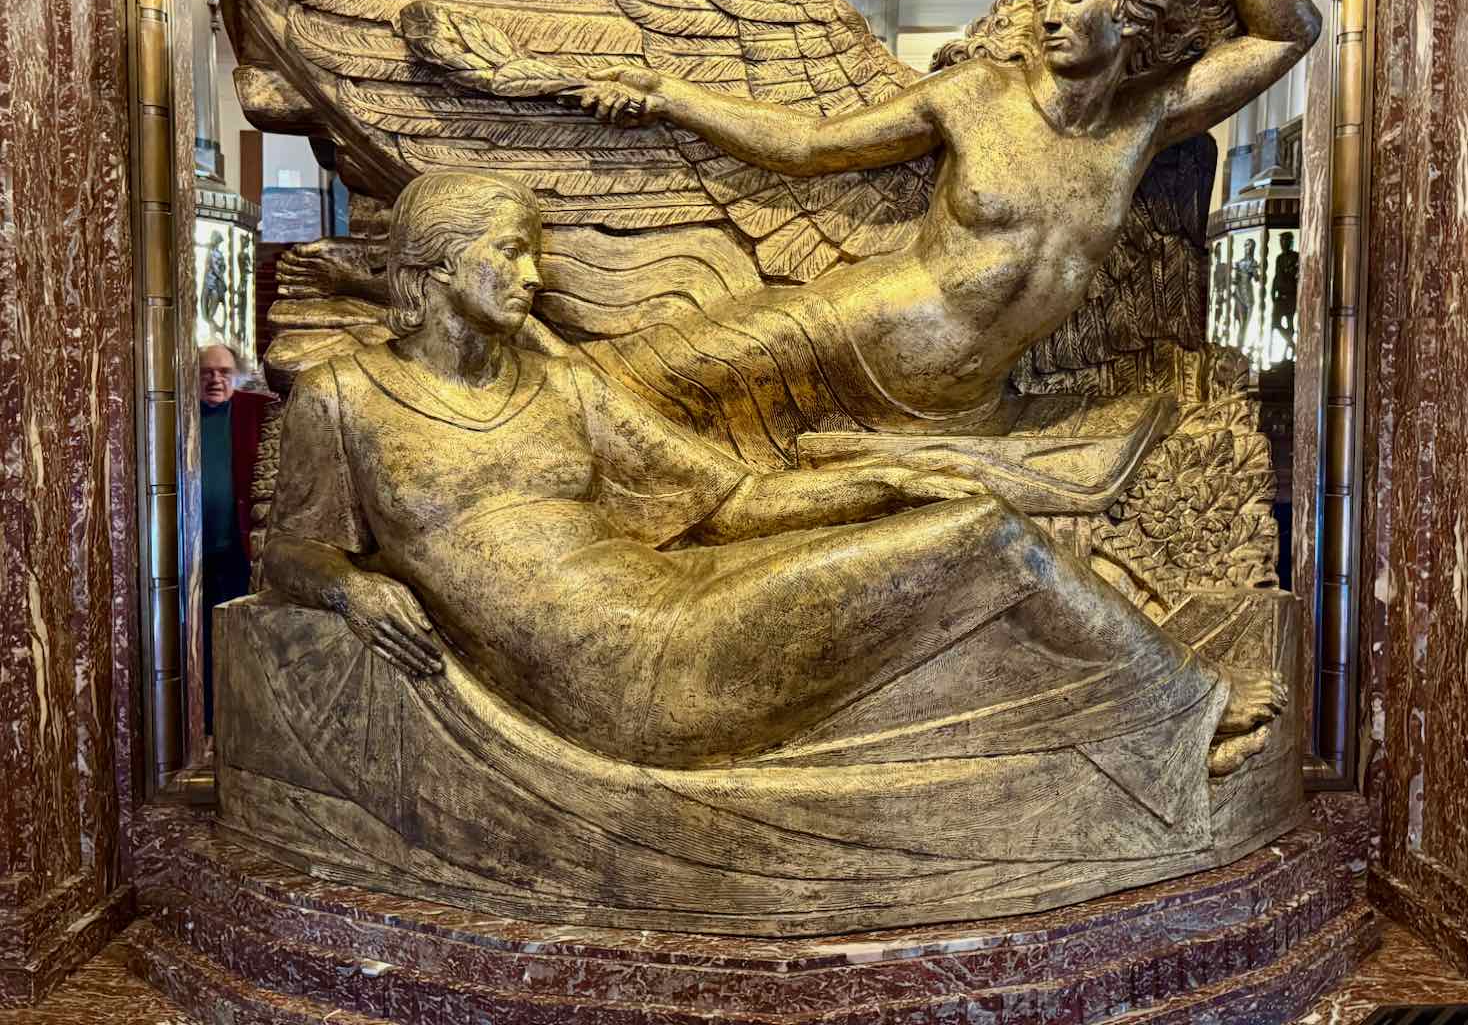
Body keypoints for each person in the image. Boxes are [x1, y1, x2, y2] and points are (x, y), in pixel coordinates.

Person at [264, 170, 1284, 777]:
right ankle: (1182, 706)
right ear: (437, 264)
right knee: (981, 538)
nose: (533, 275)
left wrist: (888, 482)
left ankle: (1145, 712)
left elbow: (738, 498)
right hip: (626, 669)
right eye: (508, 253)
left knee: (952, 528)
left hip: (672, 601)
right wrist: (349, 587)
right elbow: (292, 550)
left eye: (534, 251)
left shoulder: (563, 385)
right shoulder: (344, 397)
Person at [576, 0, 1320, 432]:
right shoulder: (975, 94)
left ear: (1126, 13)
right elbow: (809, 145)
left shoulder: (1147, 121)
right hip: (847, 335)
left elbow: (1289, 32)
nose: (1049, 15)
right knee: (629, 390)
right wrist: (671, 96)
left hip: (962, 403)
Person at [197, 342, 271, 732]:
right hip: (189, 558)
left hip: (238, 551)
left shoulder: (253, 410)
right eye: (206, 372)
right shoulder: (178, 414)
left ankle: (239, 722)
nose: (215, 379)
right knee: (198, 643)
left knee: (238, 639)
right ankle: (206, 722)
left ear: (236, 375)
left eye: (224, 372)